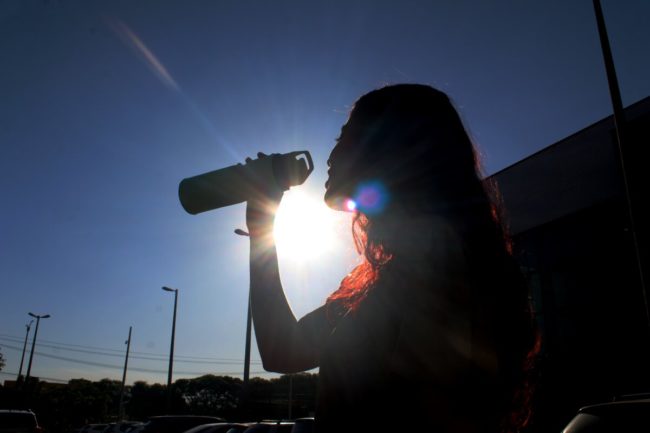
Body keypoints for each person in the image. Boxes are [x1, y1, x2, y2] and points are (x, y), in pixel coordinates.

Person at [245, 84, 537, 432]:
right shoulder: (386, 279)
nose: (330, 155)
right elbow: (283, 350)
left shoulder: (438, 258)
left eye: (345, 137)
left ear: (389, 149)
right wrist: (261, 228)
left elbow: (431, 416)